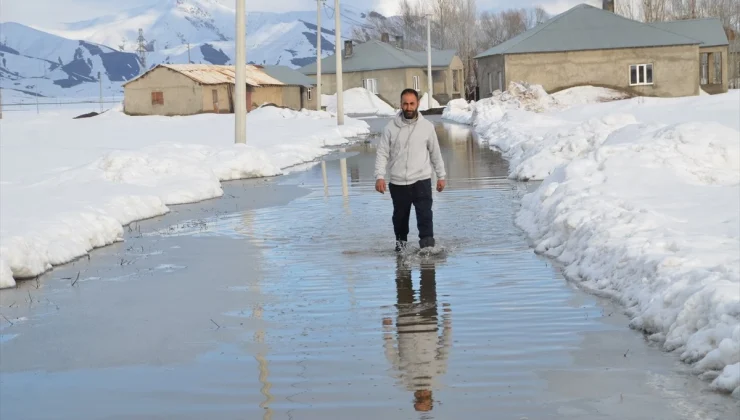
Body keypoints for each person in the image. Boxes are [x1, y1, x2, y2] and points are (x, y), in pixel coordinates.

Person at [374, 88, 446, 251]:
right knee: (400, 221)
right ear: (400, 104)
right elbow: (382, 153)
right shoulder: (390, 128)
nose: (408, 107)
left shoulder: (427, 127)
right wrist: (379, 176)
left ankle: (428, 254)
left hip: (422, 181)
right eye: (405, 104)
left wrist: (441, 176)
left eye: (412, 103)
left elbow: (435, 152)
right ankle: (401, 252)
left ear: (417, 104)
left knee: (425, 218)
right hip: (398, 183)